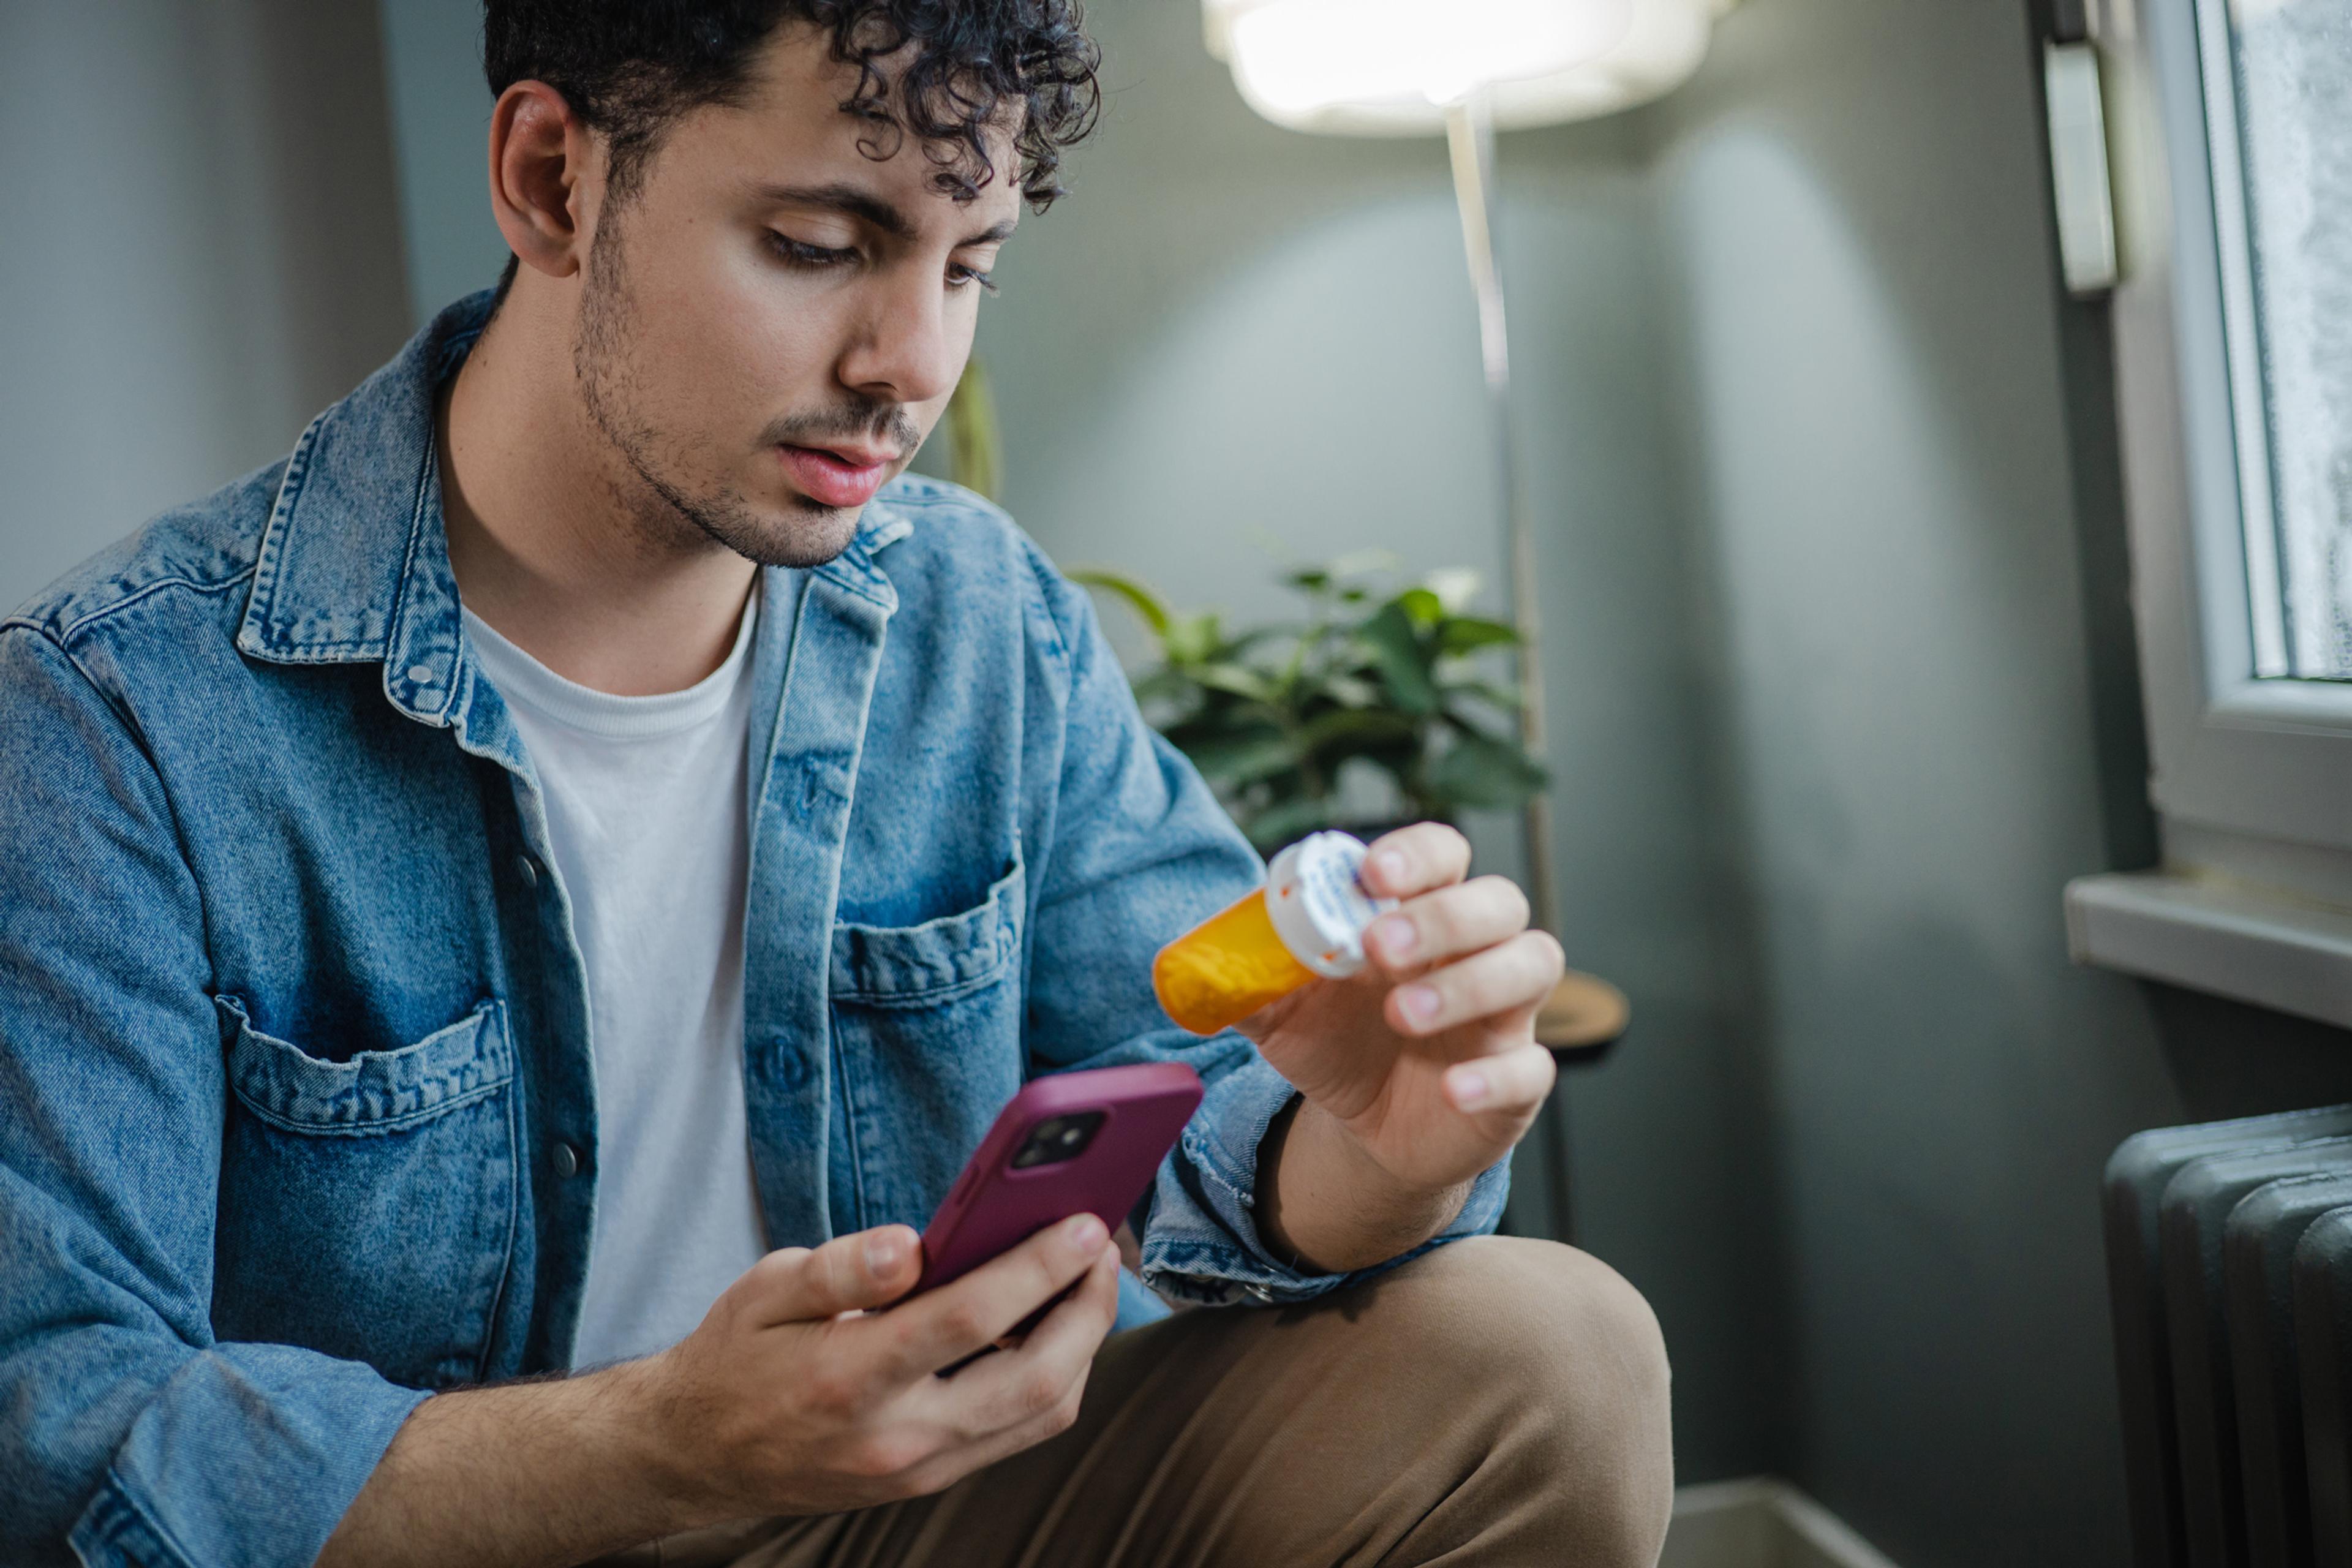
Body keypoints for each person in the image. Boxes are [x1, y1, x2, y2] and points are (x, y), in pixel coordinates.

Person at [0, 4, 1673, 1565]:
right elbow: (64, 1429)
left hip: (900, 1520)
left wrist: (1375, 1152)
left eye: (971, 266)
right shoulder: (114, 721)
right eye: (820, 246)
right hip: (486, 1534)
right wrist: (667, 1445)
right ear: (550, 179)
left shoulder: (975, 619)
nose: (910, 364)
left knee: (1552, 1351)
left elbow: (1187, 1121)